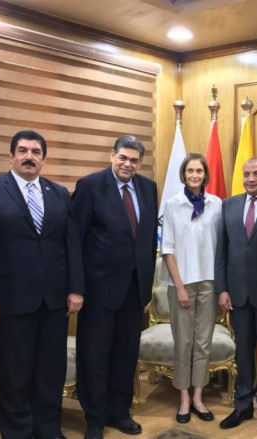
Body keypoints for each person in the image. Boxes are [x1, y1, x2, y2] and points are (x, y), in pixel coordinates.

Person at [0, 130, 84, 439]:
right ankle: (18, 429)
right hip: (11, 299)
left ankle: (47, 427)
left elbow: (70, 242)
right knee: (17, 371)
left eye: (35, 152)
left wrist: (76, 288)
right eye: (22, 150)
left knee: (51, 369)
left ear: (44, 160)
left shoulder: (59, 193)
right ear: (11, 156)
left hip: (54, 300)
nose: (29, 156)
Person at [71, 135, 158, 439]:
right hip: (97, 290)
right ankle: (94, 417)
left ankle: (119, 412)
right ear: (112, 155)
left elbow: (147, 242)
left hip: (134, 290)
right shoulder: (90, 185)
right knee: (94, 355)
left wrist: (146, 286)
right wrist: (76, 287)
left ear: (140, 163)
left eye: (134, 160)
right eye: (123, 157)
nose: (128, 164)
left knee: (125, 354)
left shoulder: (148, 188)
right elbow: (75, 240)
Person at [214, 157, 257, 435]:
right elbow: (222, 250)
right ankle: (242, 406)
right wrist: (222, 288)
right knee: (242, 354)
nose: (251, 179)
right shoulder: (228, 205)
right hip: (237, 295)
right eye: (246, 174)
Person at [161, 152, 223, 424]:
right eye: (190, 171)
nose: (195, 175)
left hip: (209, 282)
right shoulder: (173, 205)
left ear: (205, 175)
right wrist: (180, 287)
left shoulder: (216, 204)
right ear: (183, 174)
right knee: (183, 343)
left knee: (202, 343)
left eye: (199, 171)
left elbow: (221, 246)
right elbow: (168, 249)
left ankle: (198, 396)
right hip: (182, 284)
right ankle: (184, 399)